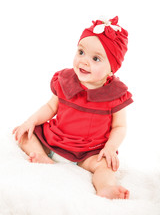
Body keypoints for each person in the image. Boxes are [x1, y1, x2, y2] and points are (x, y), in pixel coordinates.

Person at [12, 16, 133, 200]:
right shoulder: (65, 80)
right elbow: (51, 106)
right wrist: (31, 121)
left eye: (95, 58)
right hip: (55, 140)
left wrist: (110, 147)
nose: (84, 61)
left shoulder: (115, 94)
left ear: (111, 69)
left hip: (89, 151)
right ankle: (41, 155)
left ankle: (106, 187)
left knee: (104, 166)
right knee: (24, 135)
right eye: (81, 52)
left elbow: (120, 127)